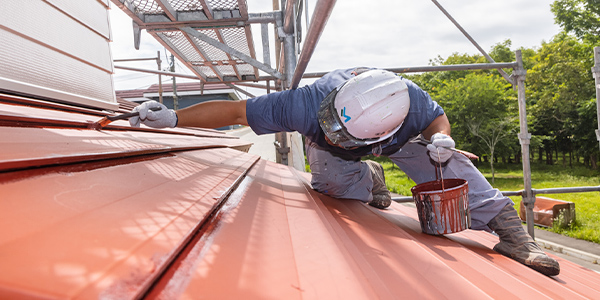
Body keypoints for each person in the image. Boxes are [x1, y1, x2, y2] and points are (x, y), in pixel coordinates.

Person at [129, 67, 560, 276]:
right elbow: (236, 110)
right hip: (343, 150)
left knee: (451, 162)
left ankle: (512, 236)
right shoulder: (303, 102)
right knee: (335, 188)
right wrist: (173, 118)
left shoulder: (408, 102)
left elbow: (437, 119)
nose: (340, 137)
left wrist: (442, 139)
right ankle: (367, 176)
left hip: (404, 143)